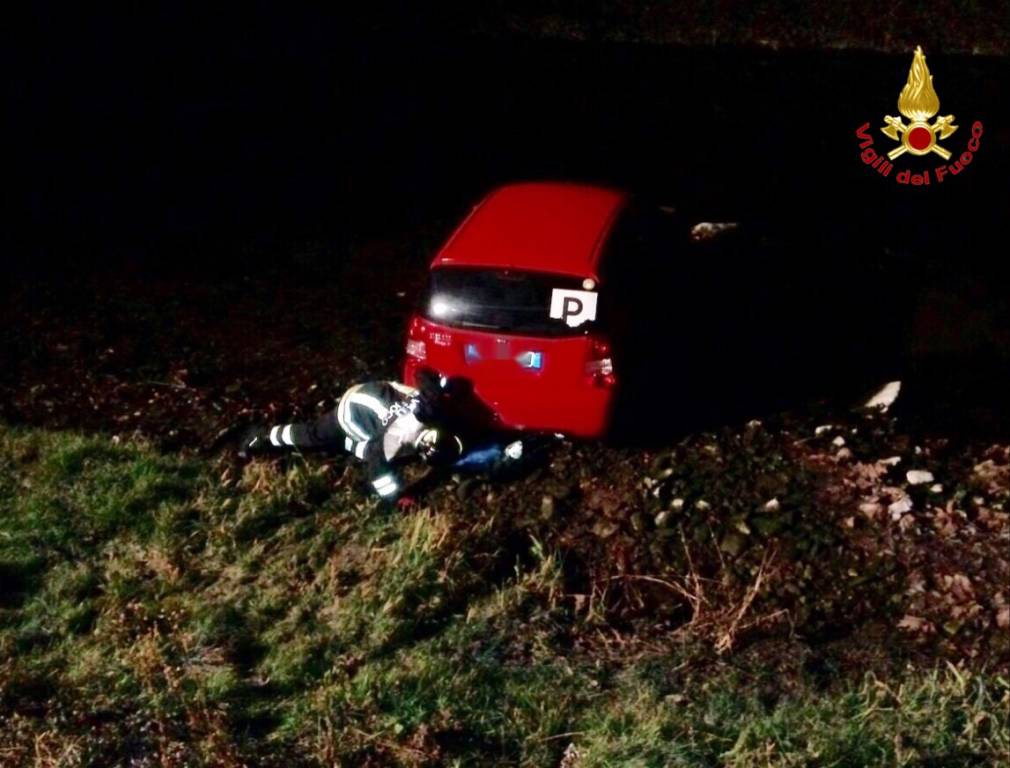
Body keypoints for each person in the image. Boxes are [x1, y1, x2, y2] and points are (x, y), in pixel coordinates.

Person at [237, 370, 528, 502]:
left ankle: (349, 445)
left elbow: (424, 376)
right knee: (314, 435)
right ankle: (261, 437)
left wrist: (441, 383)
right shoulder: (394, 442)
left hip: (379, 391)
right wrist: (396, 498)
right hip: (353, 411)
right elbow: (377, 468)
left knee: (367, 448)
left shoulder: (433, 408)